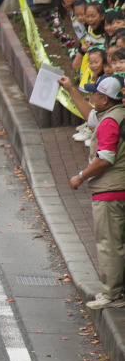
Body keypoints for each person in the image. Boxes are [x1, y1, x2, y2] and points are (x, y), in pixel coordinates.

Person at [63, 76, 125, 309]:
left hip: (110, 190)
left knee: (109, 244)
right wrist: (70, 88)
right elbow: (90, 116)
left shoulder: (109, 122)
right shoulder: (116, 115)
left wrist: (80, 176)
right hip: (119, 188)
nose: (90, 97)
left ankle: (113, 295)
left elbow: (105, 159)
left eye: (93, 94)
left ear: (105, 98)